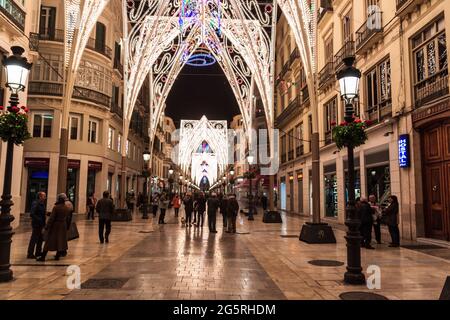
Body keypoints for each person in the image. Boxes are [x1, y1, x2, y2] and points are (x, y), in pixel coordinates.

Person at [37, 193, 71, 261]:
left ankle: (43, 256)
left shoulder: (56, 207)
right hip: (63, 225)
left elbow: (51, 218)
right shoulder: (66, 207)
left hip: (55, 226)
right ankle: (57, 256)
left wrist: (46, 227)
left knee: (49, 241)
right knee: (60, 241)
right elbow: (68, 218)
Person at [27, 192, 47, 259]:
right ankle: (30, 254)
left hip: (41, 224)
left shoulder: (42, 204)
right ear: (40, 197)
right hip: (36, 224)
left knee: (40, 239)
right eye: (44, 196)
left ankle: (38, 252)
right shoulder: (36, 203)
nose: (45, 197)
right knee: (34, 239)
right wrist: (39, 220)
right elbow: (32, 214)